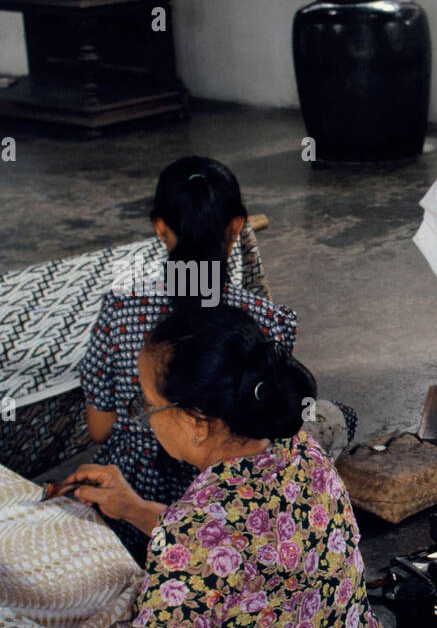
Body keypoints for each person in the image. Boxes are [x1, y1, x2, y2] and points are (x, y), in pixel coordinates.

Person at [65, 307, 404, 628]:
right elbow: (236, 555)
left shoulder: (200, 526)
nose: (146, 418)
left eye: (149, 406)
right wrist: (134, 509)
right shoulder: (301, 453)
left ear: (197, 423)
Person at [77, 156, 299, 561]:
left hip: (129, 508)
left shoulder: (120, 308)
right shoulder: (270, 321)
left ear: (160, 229)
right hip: (239, 501)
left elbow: (99, 428)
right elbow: (269, 422)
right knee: (334, 418)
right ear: (237, 228)